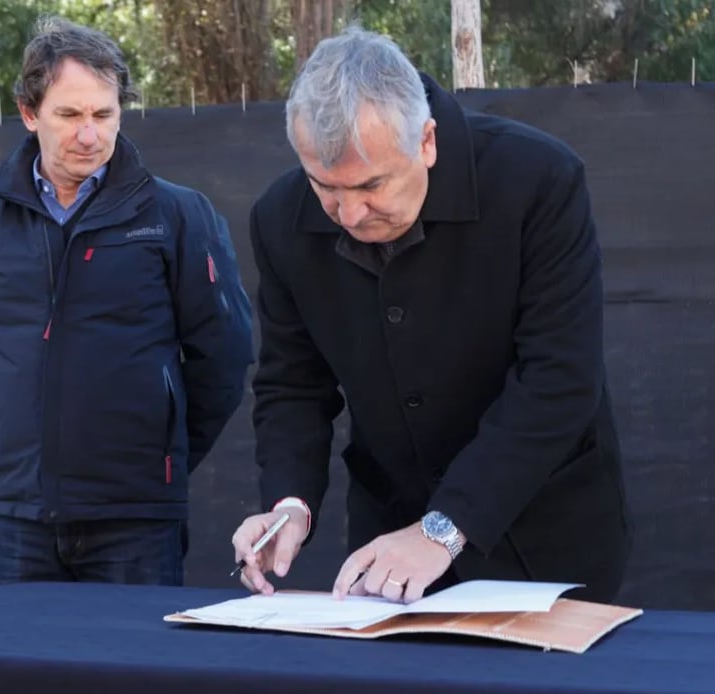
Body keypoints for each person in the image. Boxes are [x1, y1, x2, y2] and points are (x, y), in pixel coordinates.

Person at [231, 26, 632, 604]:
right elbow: (292, 383)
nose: (347, 212)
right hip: (388, 531)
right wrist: (288, 504)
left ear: (426, 142)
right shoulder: (278, 217)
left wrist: (443, 528)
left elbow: (560, 379)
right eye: (324, 185)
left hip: (545, 531)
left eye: (370, 185)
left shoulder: (538, 181)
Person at [0, 17, 253, 587]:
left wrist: (160, 456)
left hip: (136, 519)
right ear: (30, 114)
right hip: (17, 518)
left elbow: (222, 357)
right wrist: (11, 451)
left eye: (104, 114)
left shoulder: (178, 215)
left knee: (134, 675)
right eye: (70, 115)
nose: (89, 134)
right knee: (21, 675)